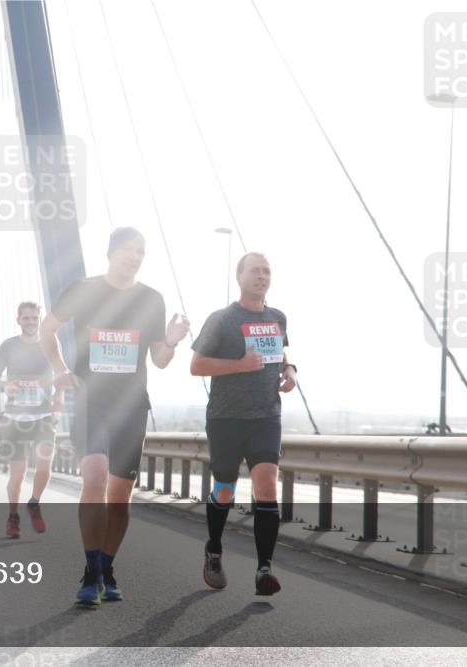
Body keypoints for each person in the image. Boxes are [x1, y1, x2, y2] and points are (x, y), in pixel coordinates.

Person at [40, 227, 189, 606]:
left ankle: (107, 567)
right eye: (128, 250)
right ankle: (91, 572)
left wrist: (171, 341)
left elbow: (159, 359)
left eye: (140, 252)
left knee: (120, 498)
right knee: (94, 478)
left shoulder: (151, 299)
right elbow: (47, 329)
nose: (134, 257)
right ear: (110, 252)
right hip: (90, 402)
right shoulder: (83, 289)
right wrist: (60, 369)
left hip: (132, 406)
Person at [190, 252, 295, 596]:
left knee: (267, 486)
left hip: (266, 416)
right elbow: (197, 365)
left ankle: (264, 569)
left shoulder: (278, 318)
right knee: (225, 489)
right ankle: (214, 549)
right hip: (226, 418)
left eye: (267, 271)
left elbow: (282, 351)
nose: (262, 276)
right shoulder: (222, 319)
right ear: (239, 276)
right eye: (255, 271)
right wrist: (239, 365)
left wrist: (290, 369)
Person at [0, 301, 58, 538]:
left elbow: (62, 374)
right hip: (14, 419)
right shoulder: (8, 346)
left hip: (43, 416)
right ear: (18, 320)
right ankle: (13, 516)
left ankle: (34, 502)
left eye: (35, 318)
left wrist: (59, 395)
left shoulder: (49, 344)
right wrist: (4, 386)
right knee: (17, 476)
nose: (31, 322)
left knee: (45, 465)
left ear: (40, 320)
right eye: (26, 318)